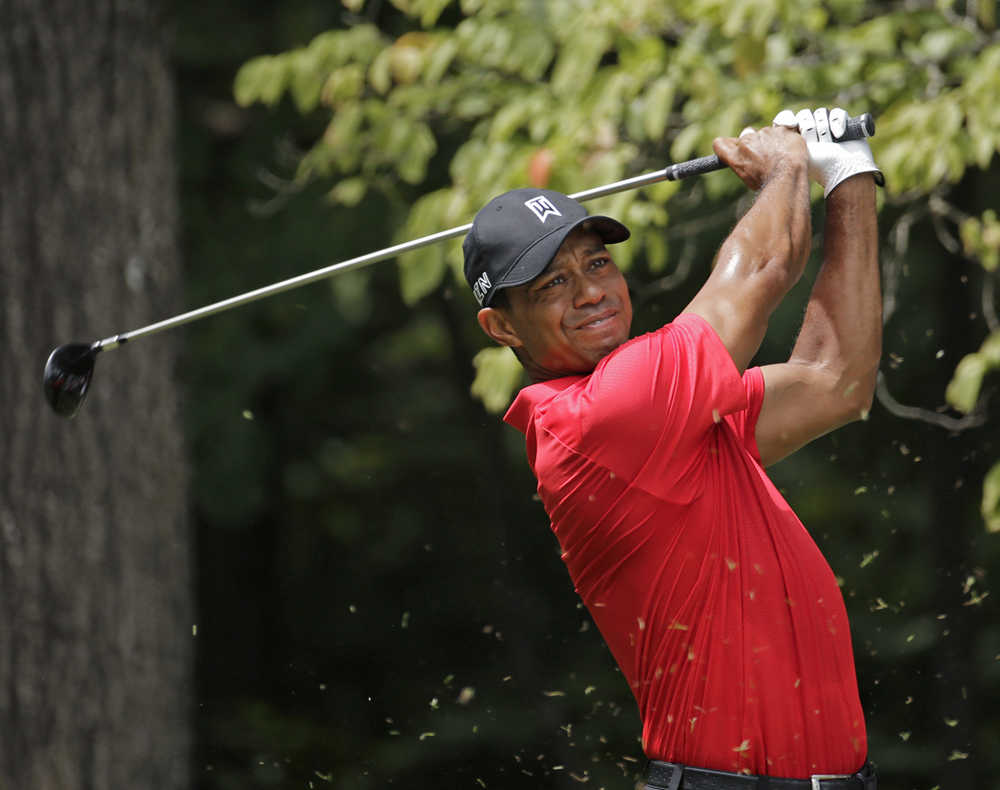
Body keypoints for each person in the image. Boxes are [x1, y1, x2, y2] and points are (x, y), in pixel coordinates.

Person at [462, 108, 883, 790]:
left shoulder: (673, 419)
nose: (592, 290)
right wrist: (784, 167)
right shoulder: (600, 421)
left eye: (596, 262)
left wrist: (851, 179)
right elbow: (765, 268)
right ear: (500, 326)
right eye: (553, 284)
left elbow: (837, 382)